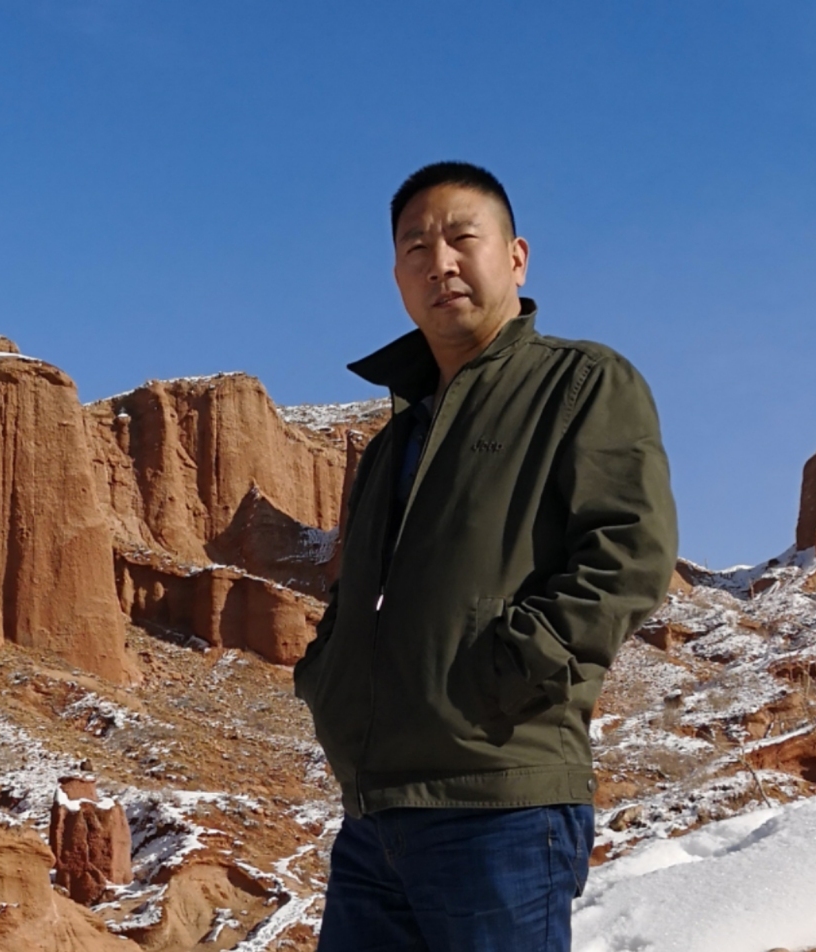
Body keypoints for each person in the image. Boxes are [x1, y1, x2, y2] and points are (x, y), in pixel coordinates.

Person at [293, 161, 678, 951]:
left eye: (461, 238)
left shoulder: (580, 382)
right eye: (416, 248)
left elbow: (629, 551)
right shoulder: (394, 441)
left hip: (500, 802)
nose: (440, 263)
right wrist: (325, 676)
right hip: (373, 819)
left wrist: (509, 669)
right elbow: (356, 592)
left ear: (516, 257)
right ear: (398, 278)